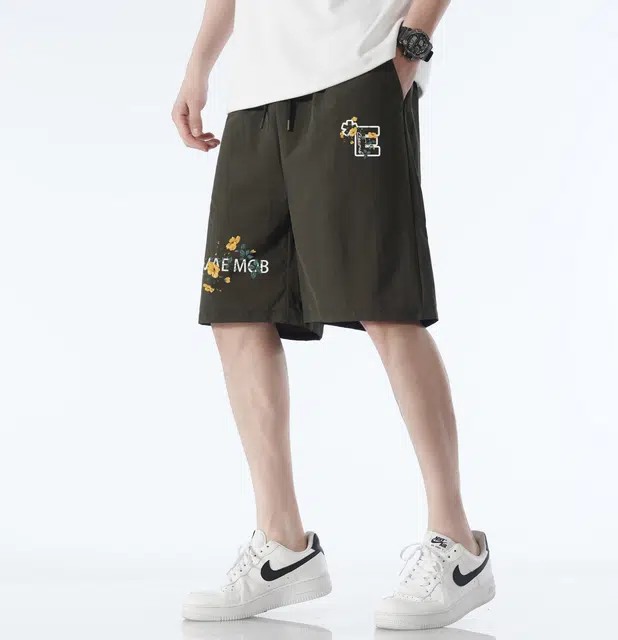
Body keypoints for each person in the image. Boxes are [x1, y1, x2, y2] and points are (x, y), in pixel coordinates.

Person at [173, 0, 495, 630]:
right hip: (256, 94)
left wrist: (409, 49)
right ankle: (282, 545)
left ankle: (458, 545)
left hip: (356, 74)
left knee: (386, 305)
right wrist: (198, 68)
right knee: (237, 309)